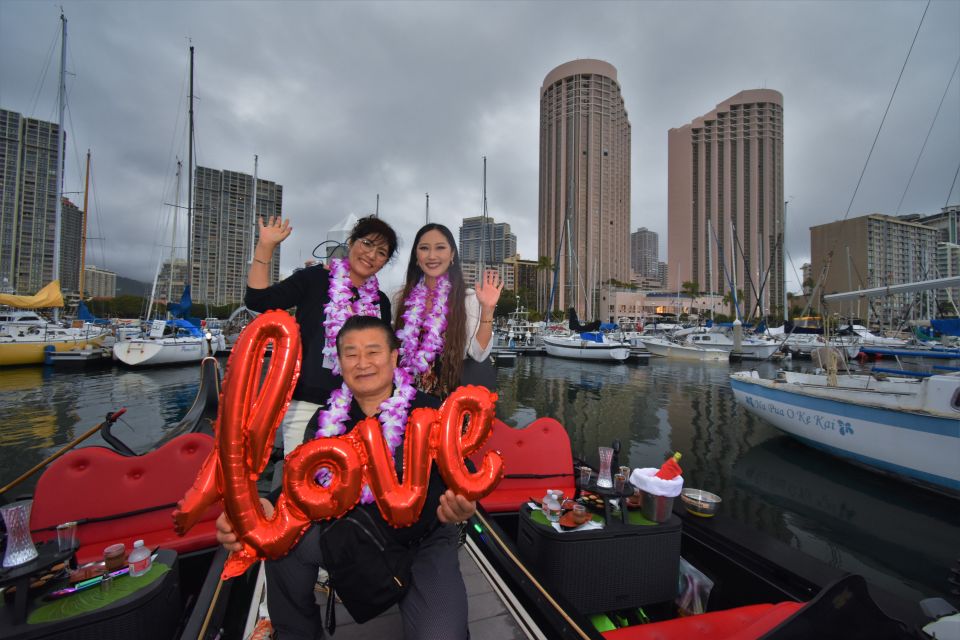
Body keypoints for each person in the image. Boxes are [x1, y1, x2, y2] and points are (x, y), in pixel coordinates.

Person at [215, 315, 476, 640]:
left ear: (394, 356)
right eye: (351, 354)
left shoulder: (432, 411)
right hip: (352, 533)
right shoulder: (328, 416)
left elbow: (466, 478)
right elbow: (300, 479)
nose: (362, 363)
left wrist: (463, 504)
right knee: (281, 542)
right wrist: (267, 508)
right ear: (339, 363)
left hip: (423, 542)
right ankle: (296, 632)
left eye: (373, 352)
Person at [245, 215, 398, 455]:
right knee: (300, 483)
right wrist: (266, 247)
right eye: (367, 243)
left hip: (361, 407)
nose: (371, 255)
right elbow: (258, 300)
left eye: (381, 252)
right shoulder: (315, 279)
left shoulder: (381, 301)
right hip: (307, 404)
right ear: (351, 242)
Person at [393, 223, 503, 398]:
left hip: (451, 401)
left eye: (440, 248)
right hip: (409, 398)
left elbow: (479, 354)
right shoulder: (401, 299)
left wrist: (487, 310)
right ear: (416, 255)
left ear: (452, 254)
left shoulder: (468, 299)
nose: (432, 256)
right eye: (424, 248)